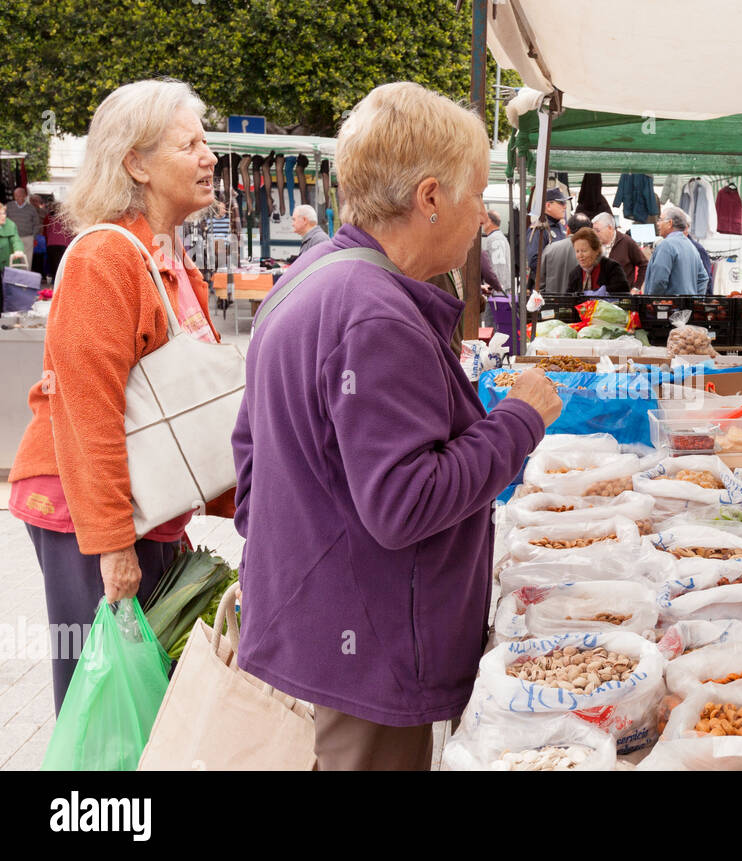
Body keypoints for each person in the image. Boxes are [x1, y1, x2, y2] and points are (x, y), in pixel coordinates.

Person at [232, 82, 562, 771]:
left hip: (320, 632)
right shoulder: (375, 312)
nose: (480, 216)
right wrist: (520, 420)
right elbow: (405, 503)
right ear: (431, 196)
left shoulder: (312, 277)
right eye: (477, 195)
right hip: (368, 654)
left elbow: (252, 463)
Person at [7, 79, 237, 714]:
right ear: (136, 163)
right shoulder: (106, 257)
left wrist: (239, 503)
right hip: (86, 517)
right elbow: (89, 413)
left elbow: (187, 411)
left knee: (147, 697)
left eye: (206, 141)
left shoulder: (168, 260)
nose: (209, 156)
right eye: (190, 143)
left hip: (146, 509)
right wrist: (112, 545)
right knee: (104, 703)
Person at [643, 204, 709, 296]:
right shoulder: (691, 246)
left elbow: (659, 280)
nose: (658, 223)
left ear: (670, 223)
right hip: (686, 308)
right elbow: (703, 278)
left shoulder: (666, 245)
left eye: (660, 220)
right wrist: (694, 300)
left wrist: (653, 301)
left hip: (667, 308)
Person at [568, 226, 630, 295]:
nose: (580, 255)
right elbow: (568, 297)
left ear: (596, 250)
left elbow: (624, 290)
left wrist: (604, 292)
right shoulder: (574, 274)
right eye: (577, 251)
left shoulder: (612, 268)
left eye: (584, 251)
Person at [539, 213, 590, 294]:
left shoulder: (550, 248)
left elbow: (540, 284)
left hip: (553, 303)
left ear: (568, 229)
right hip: (580, 305)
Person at [526, 187, 566, 288]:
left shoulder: (561, 227)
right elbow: (534, 261)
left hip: (560, 284)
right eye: (561, 203)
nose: (565, 207)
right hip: (546, 287)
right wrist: (556, 272)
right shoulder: (539, 229)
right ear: (548, 205)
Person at [593, 212, 646, 288]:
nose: (595, 234)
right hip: (599, 295)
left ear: (610, 228)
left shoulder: (627, 242)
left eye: (597, 230)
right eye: (593, 231)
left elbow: (644, 265)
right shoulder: (594, 244)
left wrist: (636, 287)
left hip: (622, 296)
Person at [6, 186, 43, 269]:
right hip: (12, 238)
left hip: (27, 238)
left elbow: (37, 224)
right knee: (12, 261)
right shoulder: (9, 206)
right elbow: (4, 221)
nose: (18, 198)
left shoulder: (31, 208)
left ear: (25, 196)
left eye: (20, 195)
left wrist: (33, 236)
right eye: (16, 196)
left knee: (27, 261)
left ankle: (25, 280)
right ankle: (13, 280)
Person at [481, 209, 513, 290]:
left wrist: (497, 288)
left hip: (497, 293)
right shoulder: (499, 237)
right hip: (501, 290)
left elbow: (499, 268)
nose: (481, 223)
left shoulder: (495, 239)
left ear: (489, 221)